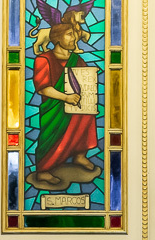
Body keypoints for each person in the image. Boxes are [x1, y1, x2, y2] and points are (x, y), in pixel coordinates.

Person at [31, 23, 99, 186]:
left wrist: (90, 77)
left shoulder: (76, 59)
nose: (74, 38)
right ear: (56, 38)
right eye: (69, 34)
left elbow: (82, 81)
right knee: (50, 136)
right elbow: (43, 89)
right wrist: (65, 98)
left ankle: (80, 155)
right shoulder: (43, 59)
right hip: (53, 110)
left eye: (75, 34)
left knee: (87, 116)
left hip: (74, 104)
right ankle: (43, 170)